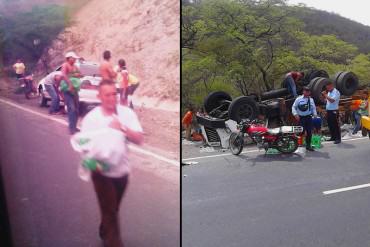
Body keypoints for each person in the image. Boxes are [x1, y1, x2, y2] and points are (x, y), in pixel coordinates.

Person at [80, 79, 143, 247]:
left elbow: (139, 139)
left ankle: (104, 228)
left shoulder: (126, 114)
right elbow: (82, 145)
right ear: (99, 96)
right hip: (100, 170)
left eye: (114, 94)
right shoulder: (91, 119)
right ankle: (113, 240)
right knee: (109, 210)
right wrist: (94, 163)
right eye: (107, 94)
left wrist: (122, 127)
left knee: (113, 208)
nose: (111, 98)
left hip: (122, 171)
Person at [61, 51, 82, 134]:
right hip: (67, 89)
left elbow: (80, 74)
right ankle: (71, 128)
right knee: (71, 108)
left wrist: (75, 75)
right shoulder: (65, 65)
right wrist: (70, 84)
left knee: (76, 109)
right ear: (69, 58)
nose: (75, 60)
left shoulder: (75, 66)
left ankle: (74, 126)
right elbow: (63, 75)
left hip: (75, 90)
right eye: (73, 58)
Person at [292, 86, 317, 151]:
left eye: (308, 91)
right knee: (300, 131)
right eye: (305, 91)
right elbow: (293, 107)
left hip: (308, 117)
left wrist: (315, 114)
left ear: (309, 92)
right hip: (301, 118)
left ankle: (308, 145)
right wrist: (295, 114)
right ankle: (295, 143)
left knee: (309, 132)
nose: (307, 92)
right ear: (303, 91)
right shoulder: (298, 99)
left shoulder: (311, 100)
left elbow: (313, 108)